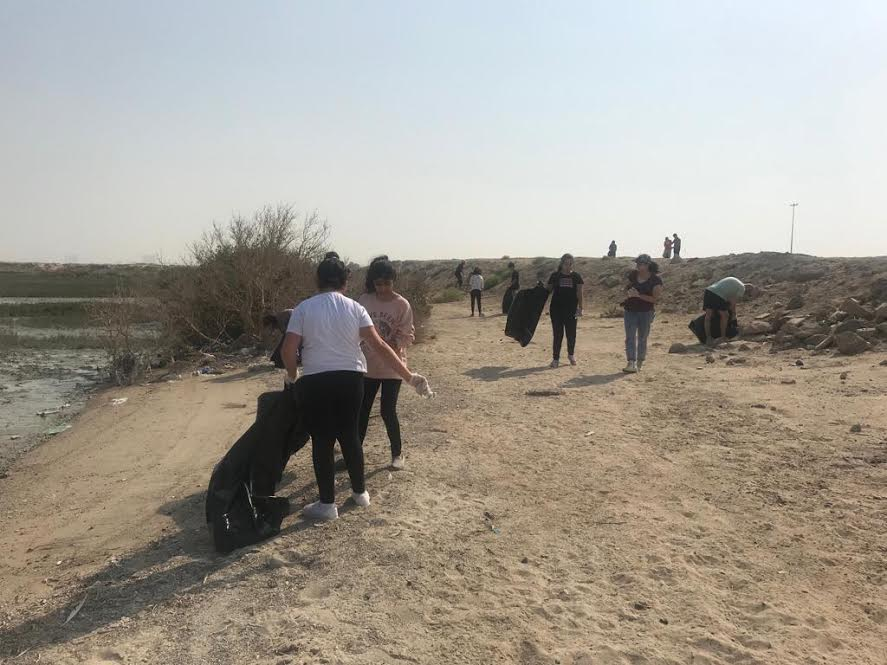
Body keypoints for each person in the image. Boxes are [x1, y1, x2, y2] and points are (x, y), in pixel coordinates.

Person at [280, 255, 431, 521]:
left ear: (318, 280)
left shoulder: (303, 308)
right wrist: (409, 377)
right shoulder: (355, 307)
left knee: (323, 441)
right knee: (350, 435)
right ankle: (360, 494)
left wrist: (291, 377)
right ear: (345, 282)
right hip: (352, 379)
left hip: (316, 380)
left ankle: (327, 505)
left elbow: (288, 350)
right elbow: (381, 347)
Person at [357, 256, 415, 470]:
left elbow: (407, 335)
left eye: (387, 283)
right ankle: (354, 454)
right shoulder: (364, 300)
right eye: (378, 284)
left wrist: (389, 342)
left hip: (392, 367)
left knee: (387, 411)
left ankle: (397, 454)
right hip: (367, 366)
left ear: (393, 281)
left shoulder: (402, 304)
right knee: (361, 411)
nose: (382, 288)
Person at [622, 254, 664, 373]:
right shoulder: (633, 275)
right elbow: (625, 289)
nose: (638, 266)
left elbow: (655, 299)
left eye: (641, 264)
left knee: (642, 337)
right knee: (630, 336)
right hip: (630, 309)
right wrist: (628, 293)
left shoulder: (656, 280)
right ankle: (631, 362)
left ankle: (640, 360)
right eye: (638, 264)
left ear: (647, 265)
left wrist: (639, 296)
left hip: (646, 312)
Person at [546, 254, 584, 367]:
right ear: (561, 264)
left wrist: (581, 308)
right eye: (566, 264)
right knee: (558, 334)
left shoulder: (576, 277)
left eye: (570, 264)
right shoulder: (555, 276)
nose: (568, 266)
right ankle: (555, 358)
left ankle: (571, 355)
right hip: (556, 310)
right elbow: (547, 291)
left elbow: (580, 293)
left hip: (571, 310)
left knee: (571, 334)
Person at [703, 276, 754, 346]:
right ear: (748, 290)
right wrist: (733, 315)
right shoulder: (742, 288)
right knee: (725, 315)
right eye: (747, 294)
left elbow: (729, 300)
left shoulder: (736, 283)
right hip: (717, 294)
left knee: (708, 315)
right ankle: (723, 337)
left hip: (709, 291)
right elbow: (733, 304)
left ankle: (708, 338)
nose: (745, 296)